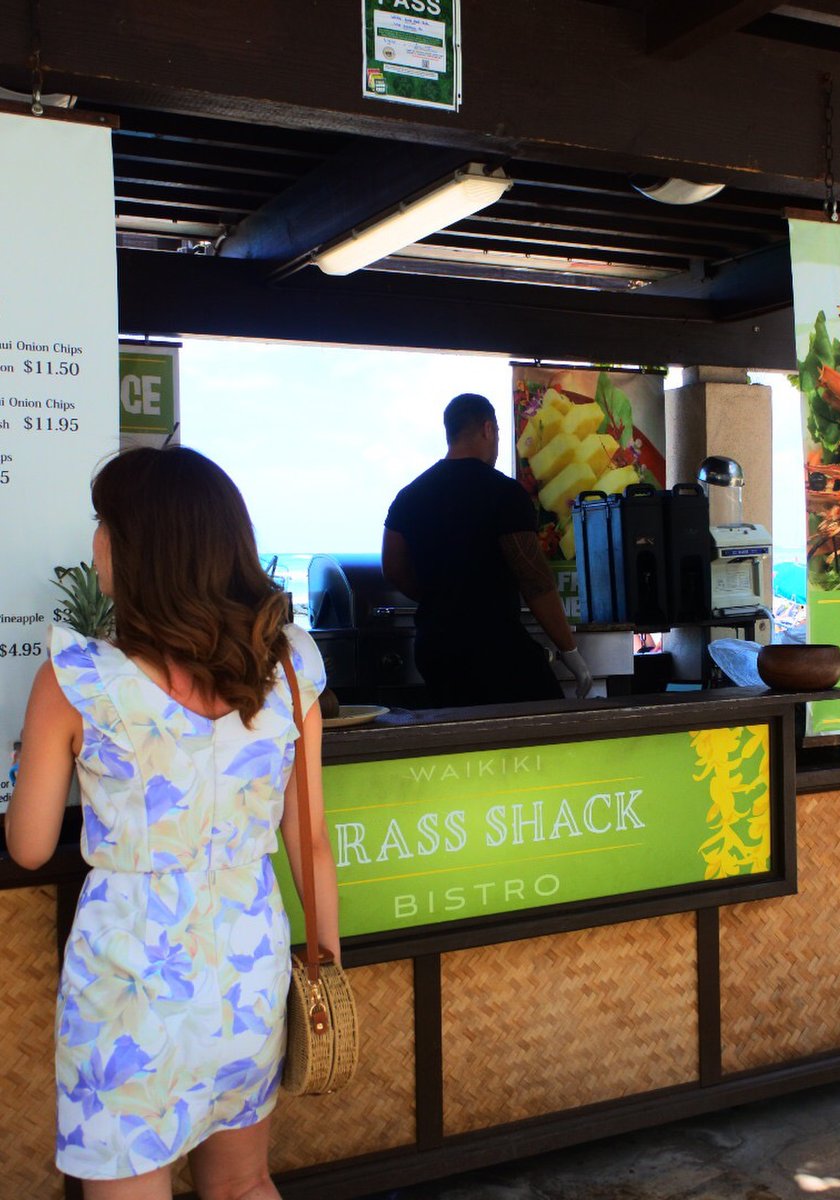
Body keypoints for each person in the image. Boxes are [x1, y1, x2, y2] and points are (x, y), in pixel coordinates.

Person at [6, 446, 339, 1200]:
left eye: (103, 522)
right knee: (245, 1185)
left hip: (130, 988)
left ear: (139, 545)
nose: (93, 540)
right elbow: (310, 840)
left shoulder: (78, 680)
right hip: (246, 971)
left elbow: (28, 847)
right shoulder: (287, 669)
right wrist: (325, 971)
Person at [382, 393, 593, 707]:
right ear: (487, 429)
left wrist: (443, 596)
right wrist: (571, 653)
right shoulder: (505, 494)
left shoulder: (409, 495)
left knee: (463, 745)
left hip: (435, 651)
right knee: (549, 727)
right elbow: (534, 580)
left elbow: (393, 568)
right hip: (495, 650)